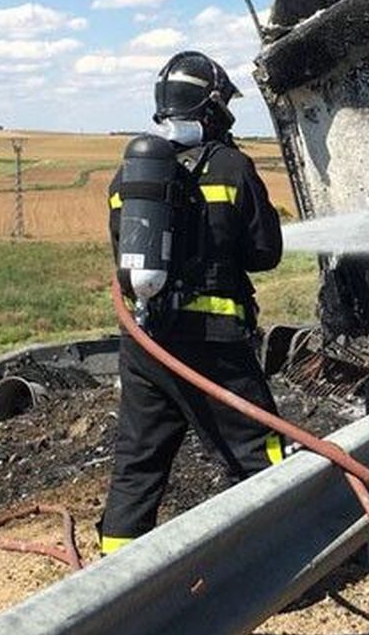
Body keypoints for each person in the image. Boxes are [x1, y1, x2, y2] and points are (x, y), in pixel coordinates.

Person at [99, 50, 285, 553]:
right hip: (214, 345)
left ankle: (112, 575)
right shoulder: (231, 167)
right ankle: (284, 560)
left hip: (145, 344)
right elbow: (265, 253)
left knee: (137, 464)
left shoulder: (129, 177)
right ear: (211, 107)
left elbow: (126, 258)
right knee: (256, 450)